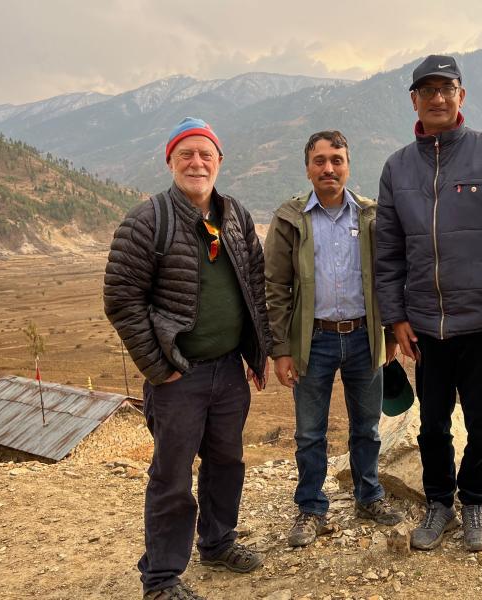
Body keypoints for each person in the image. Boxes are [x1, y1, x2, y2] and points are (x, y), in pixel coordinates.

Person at [375, 55, 482, 552]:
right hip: (425, 325)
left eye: (447, 89)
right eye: (428, 91)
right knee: (431, 424)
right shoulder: (397, 167)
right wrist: (396, 317)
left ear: (461, 96)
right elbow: (388, 251)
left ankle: (475, 504)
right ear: (414, 101)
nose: (438, 98)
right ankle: (438, 501)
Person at [104, 117, 272, 600]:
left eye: (206, 155)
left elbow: (254, 286)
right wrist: (159, 367)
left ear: (219, 162)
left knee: (227, 461)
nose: (197, 163)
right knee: (172, 476)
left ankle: (217, 543)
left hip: (227, 371)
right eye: (187, 154)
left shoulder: (235, 215)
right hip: (178, 376)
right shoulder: (147, 220)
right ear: (171, 161)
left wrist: (256, 354)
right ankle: (160, 577)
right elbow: (120, 298)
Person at [264, 130, 405, 547]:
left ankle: (369, 496)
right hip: (314, 341)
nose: (329, 168)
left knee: (368, 428)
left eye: (337, 159)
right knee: (310, 432)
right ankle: (311, 507)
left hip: (364, 336)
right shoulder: (290, 219)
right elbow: (275, 285)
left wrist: (389, 333)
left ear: (348, 164)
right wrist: (281, 349)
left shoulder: (369, 215)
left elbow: (387, 278)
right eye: (320, 160)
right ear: (307, 168)